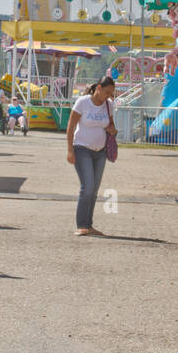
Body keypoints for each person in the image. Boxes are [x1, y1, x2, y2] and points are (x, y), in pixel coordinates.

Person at [67, 77, 117, 236]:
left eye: (111, 93)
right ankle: (81, 224)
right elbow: (71, 126)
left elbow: (111, 126)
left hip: (100, 151)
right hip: (82, 148)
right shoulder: (83, 102)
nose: (109, 96)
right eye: (107, 92)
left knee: (94, 190)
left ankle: (88, 224)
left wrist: (112, 130)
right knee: (87, 186)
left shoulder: (109, 105)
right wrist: (69, 150)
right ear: (99, 89)